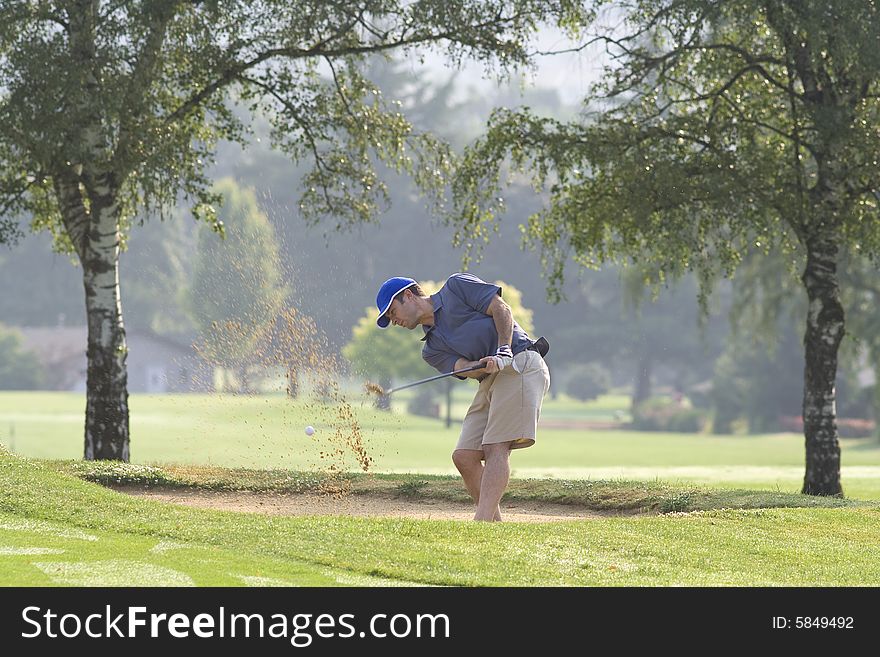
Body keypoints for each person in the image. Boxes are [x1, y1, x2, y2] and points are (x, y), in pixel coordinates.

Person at [375, 273, 550, 521]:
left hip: (520, 363)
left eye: (392, 312)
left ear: (408, 296)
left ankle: (481, 523)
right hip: (490, 378)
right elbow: (464, 368)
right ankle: (494, 525)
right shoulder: (431, 349)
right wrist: (482, 364)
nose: (394, 321)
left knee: (494, 446)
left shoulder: (456, 287)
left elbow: (501, 309)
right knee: (464, 456)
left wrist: (503, 350)